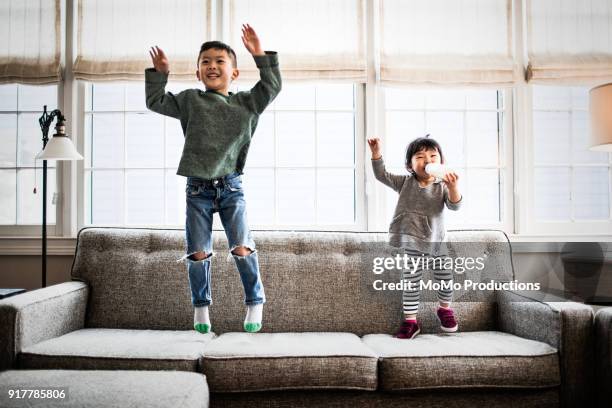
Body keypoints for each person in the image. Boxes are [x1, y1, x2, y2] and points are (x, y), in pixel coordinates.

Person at [145, 24, 281, 334]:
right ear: (197, 72)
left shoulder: (247, 103)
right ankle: (201, 308)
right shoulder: (191, 100)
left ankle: (255, 300)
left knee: (242, 246)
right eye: (205, 61)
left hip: (231, 186)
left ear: (234, 73)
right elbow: (155, 102)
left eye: (220, 60)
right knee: (197, 252)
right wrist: (160, 74)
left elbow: (271, 86)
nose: (212, 66)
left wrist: (259, 54)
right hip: (197, 189)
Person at [367, 135, 462, 339]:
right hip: (412, 243)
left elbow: (455, 206)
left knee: (446, 279)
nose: (427, 160)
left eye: (432, 156)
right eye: (420, 156)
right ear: (410, 166)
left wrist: (453, 187)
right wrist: (376, 154)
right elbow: (381, 175)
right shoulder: (405, 183)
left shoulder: (442, 186)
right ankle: (411, 322)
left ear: (440, 163)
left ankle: (445, 309)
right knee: (411, 283)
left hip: (437, 243)